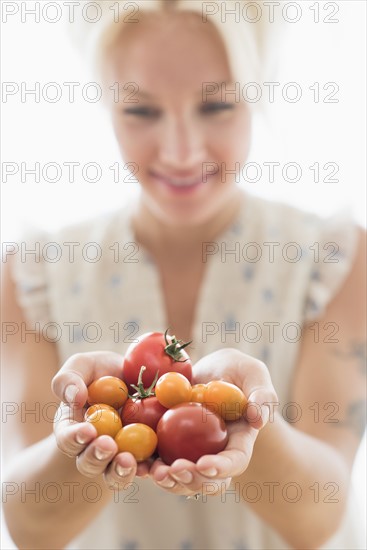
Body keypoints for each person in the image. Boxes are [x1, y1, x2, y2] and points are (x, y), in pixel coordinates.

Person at [2, 1, 366, 549]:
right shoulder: (35, 272)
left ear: (256, 93)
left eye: (216, 105)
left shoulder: (332, 258)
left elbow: (318, 517)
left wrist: (247, 420)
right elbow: (27, 526)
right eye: (141, 112)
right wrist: (75, 440)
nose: (180, 151)